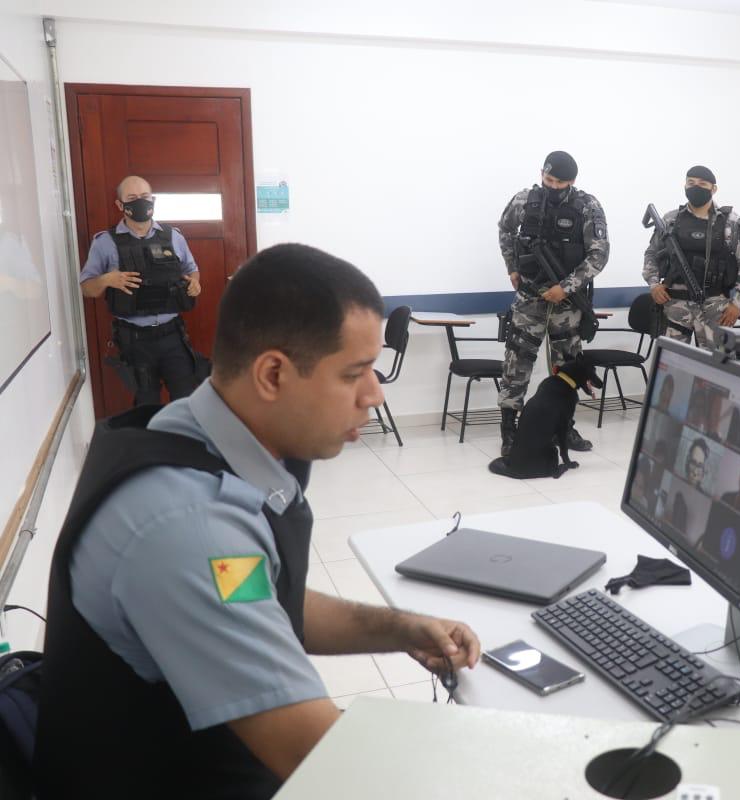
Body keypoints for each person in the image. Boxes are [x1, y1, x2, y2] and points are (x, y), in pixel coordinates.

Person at [36, 244, 481, 799]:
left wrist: (400, 628)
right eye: (354, 373)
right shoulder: (188, 527)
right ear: (273, 373)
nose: (375, 395)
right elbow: (319, 759)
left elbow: (259, 597)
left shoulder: (196, 426)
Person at [497, 151, 610, 457]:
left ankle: (566, 426)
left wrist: (567, 287)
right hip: (530, 297)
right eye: (548, 179)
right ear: (542, 174)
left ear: (572, 181)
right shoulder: (524, 200)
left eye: (560, 182)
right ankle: (509, 429)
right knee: (517, 362)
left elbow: (598, 255)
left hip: (567, 302)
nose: (553, 186)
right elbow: (505, 229)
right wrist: (512, 267)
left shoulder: (587, 206)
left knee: (568, 367)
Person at [79, 175, 204, 407]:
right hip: (135, 340)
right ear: (120, 205)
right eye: (133, 198)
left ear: (153, 199)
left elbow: (192, 270)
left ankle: (183, 443)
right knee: (146, 405)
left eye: (145, 197)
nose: (141, 202)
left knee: (187, 402)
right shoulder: (105, 242)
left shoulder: (173, 237)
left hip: (173, 335)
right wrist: (107, 279)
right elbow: (87, 289)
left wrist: (195, 283)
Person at [644, 165, 740, 350]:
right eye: (691, 183)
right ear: (685, 186)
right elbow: (651, 254)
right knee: (672, 367)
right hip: (675, 306)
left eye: (702, 184)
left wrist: (737, 303)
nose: (696, 187)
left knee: (719, 368)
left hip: (716, 307)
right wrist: (654, 284)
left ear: (714, 188)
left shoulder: (732, 222)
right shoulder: (670, 220)